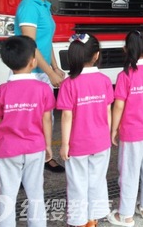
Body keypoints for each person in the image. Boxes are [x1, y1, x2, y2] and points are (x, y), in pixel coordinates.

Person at [0, 36, 56, 227]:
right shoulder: (43, 89)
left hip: (7, 150)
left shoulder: (1, 91)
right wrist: (48, 145)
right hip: (35, 148)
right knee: (35, 193)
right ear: (34, 60)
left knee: (7, 194)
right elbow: (46, 121)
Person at [56, 34, 113, 227]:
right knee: (97, 180)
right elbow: (108, 110)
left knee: (77, 184)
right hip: (101, 142)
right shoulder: (104, 80)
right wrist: (109, 134)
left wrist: (64, 145)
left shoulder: (68, 84)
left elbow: (66, 116)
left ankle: (79, 221)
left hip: (77, 145)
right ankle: (92, 219)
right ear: (96, 55)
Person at [15, 0, 66, 173]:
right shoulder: (28, 7)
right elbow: (30, 45)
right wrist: (49, 73)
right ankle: (21, 169)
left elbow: (47, 41)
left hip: (42, 72)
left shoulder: (44, 6)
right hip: (29, 74)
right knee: (28, 123)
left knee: (46, 118)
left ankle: (44, 158)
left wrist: (55, 67)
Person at [108, 30, 143, 226]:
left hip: (132, 133)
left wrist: (114, 129)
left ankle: (125, 214)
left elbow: (119, 105)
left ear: (125, 50)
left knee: (129, 172)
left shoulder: (125, 75)